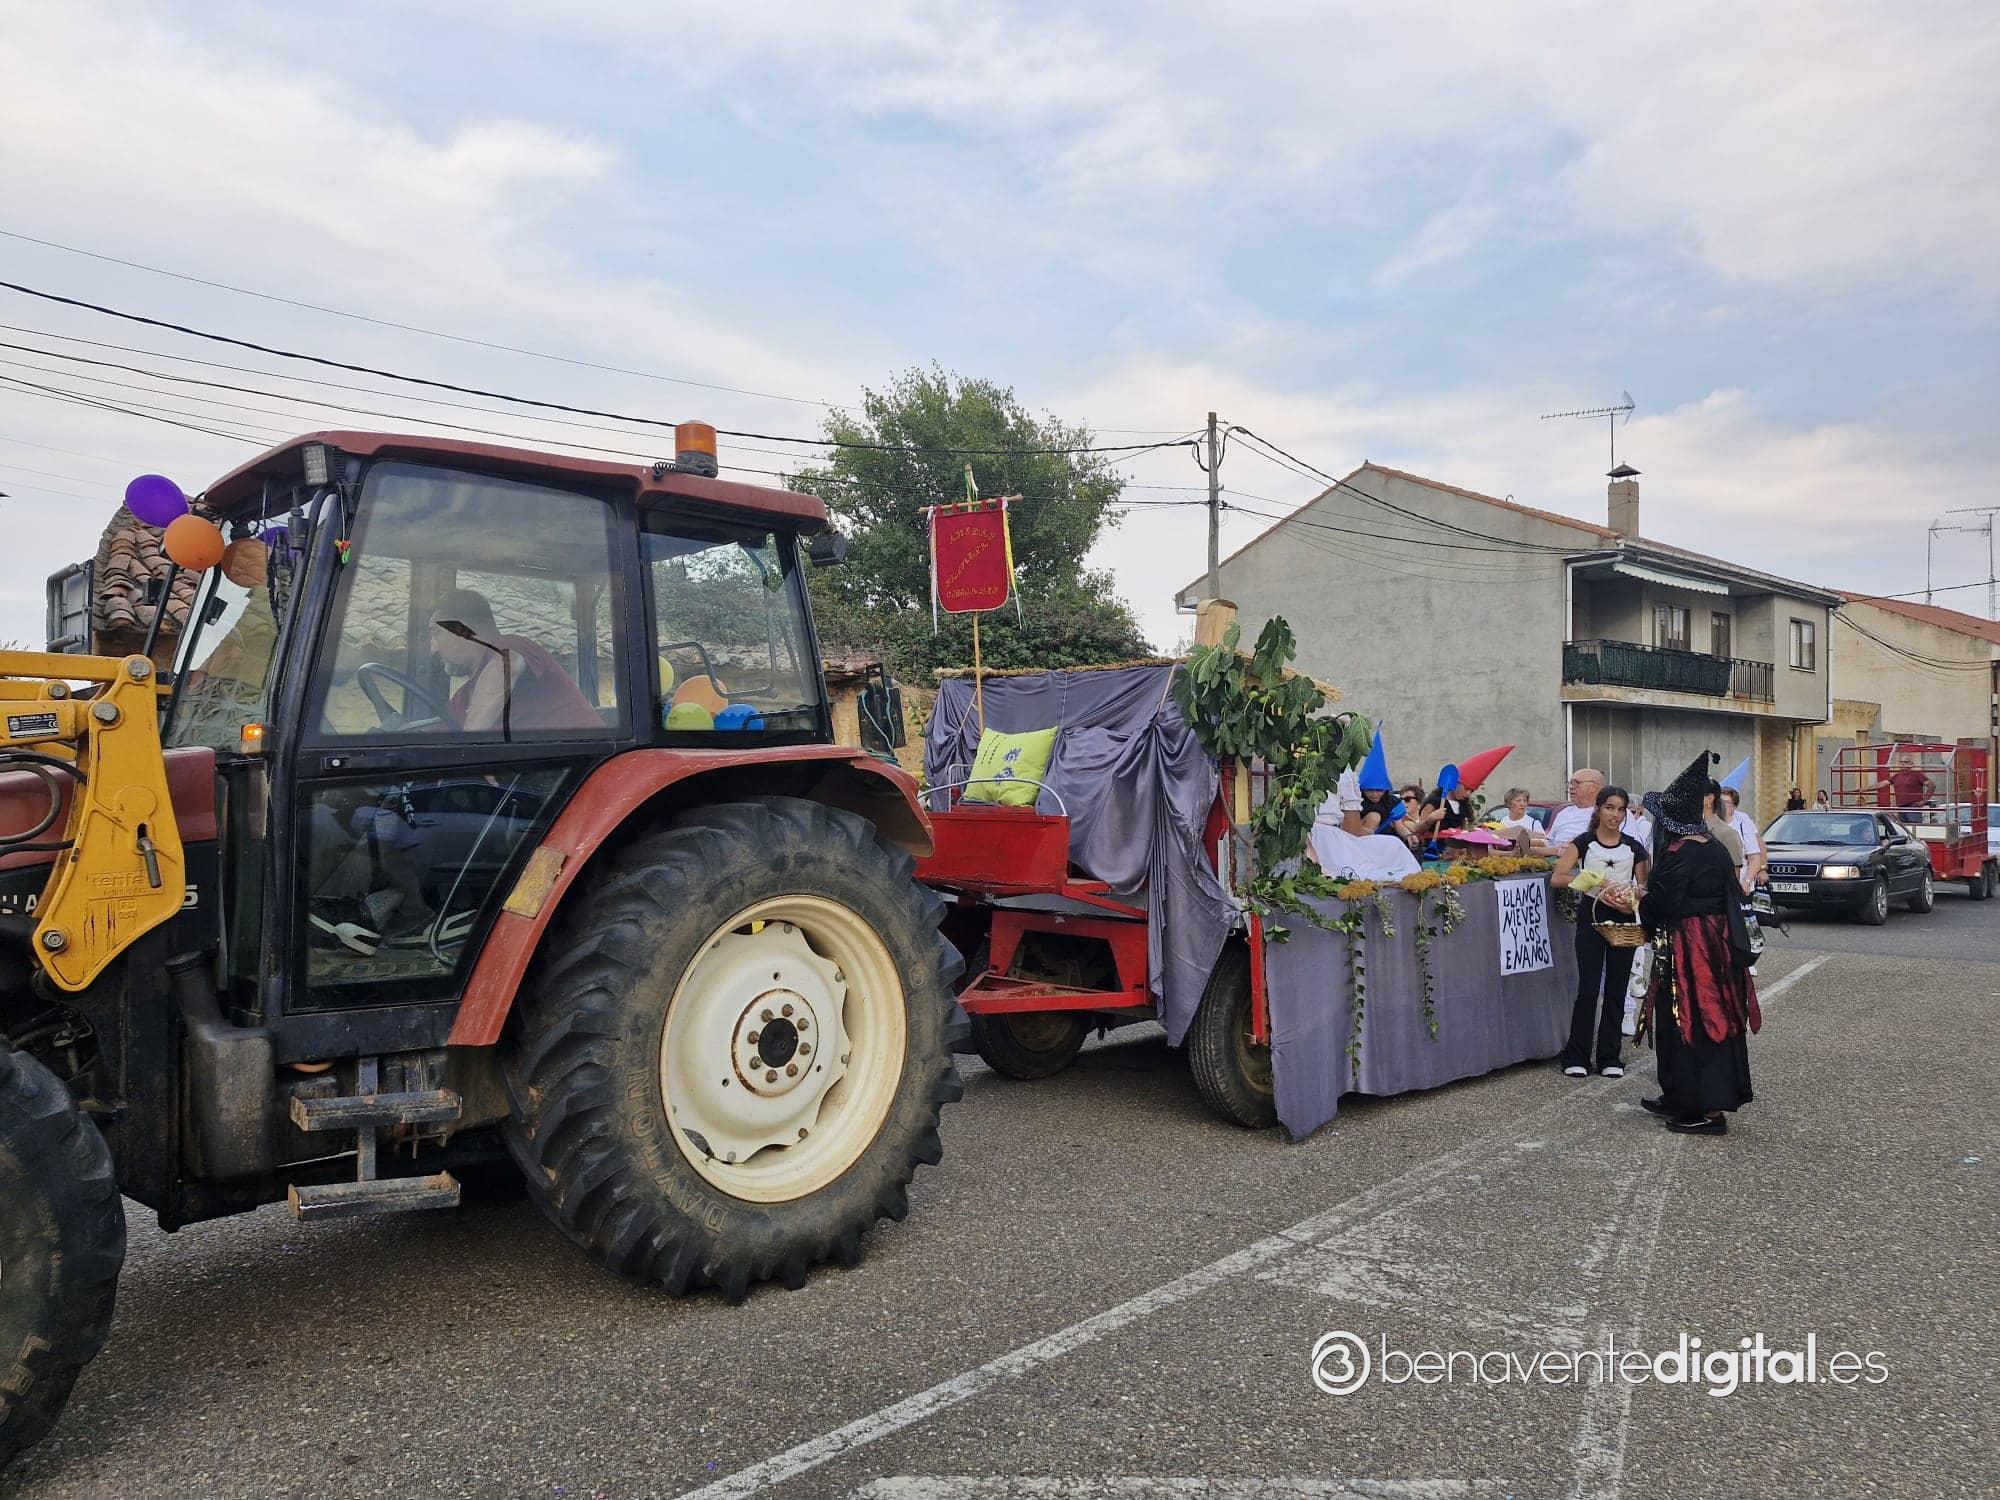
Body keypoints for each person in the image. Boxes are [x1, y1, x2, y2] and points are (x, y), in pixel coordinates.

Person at [1639, 752, 1761, 1136]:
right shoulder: (1711, 846)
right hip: (1709, 944)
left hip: (1695, 948)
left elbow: (1664, 902)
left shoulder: (1684, 852)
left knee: (1699, 1018)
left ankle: (1707, 1109)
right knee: (1679, 1018)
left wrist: (1641, 902)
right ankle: (1679, 1094)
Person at [1551, 785, 1649, 1078]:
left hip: (1623, 921)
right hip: (1591, 919)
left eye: (1620, 809)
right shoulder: (1584, 842)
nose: (1615, 815)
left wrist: (1630, 898)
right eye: (1609, 808)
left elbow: (1644, 887)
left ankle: (1609, 1056)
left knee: (1617, 989)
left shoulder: (1634, 847)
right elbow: (1558, 876)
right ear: (1598, 809)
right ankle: (1577, 1054)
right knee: (1589, 989)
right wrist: (1595, 883)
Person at [428, 588, 600, 735]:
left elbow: (507, 664)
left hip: (588, 759)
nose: (433, 648)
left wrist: (467, 747)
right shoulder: (463, 698)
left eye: (436, 633)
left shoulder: (513, 645)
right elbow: (436, 735)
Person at [1720, 786, 1765, 891]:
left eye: (1727, 802)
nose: (1722, 806)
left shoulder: (1743, 827)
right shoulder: (1710, 826)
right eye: (1720, 802)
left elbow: (1755, 858)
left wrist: (1747, 881)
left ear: (1734, 806)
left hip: (1740, 885)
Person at [1546, 768, 1604, 846]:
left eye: (1576, 783)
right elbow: (1549, 843)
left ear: (1594, 787)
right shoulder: (1564, 812)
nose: (1570, 787)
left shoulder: (1607, 813)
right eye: (1570, 783)